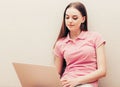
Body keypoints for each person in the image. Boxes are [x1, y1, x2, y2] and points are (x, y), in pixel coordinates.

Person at [53, 1, 106, 87]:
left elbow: (102, 71)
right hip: (66, 82)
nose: (70, 21)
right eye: (67, 17)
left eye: (74, 18)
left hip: (87, 84)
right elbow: (56, 73)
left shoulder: (95, 37)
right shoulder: (60, 43)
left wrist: (76, 81)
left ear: (83, 19)